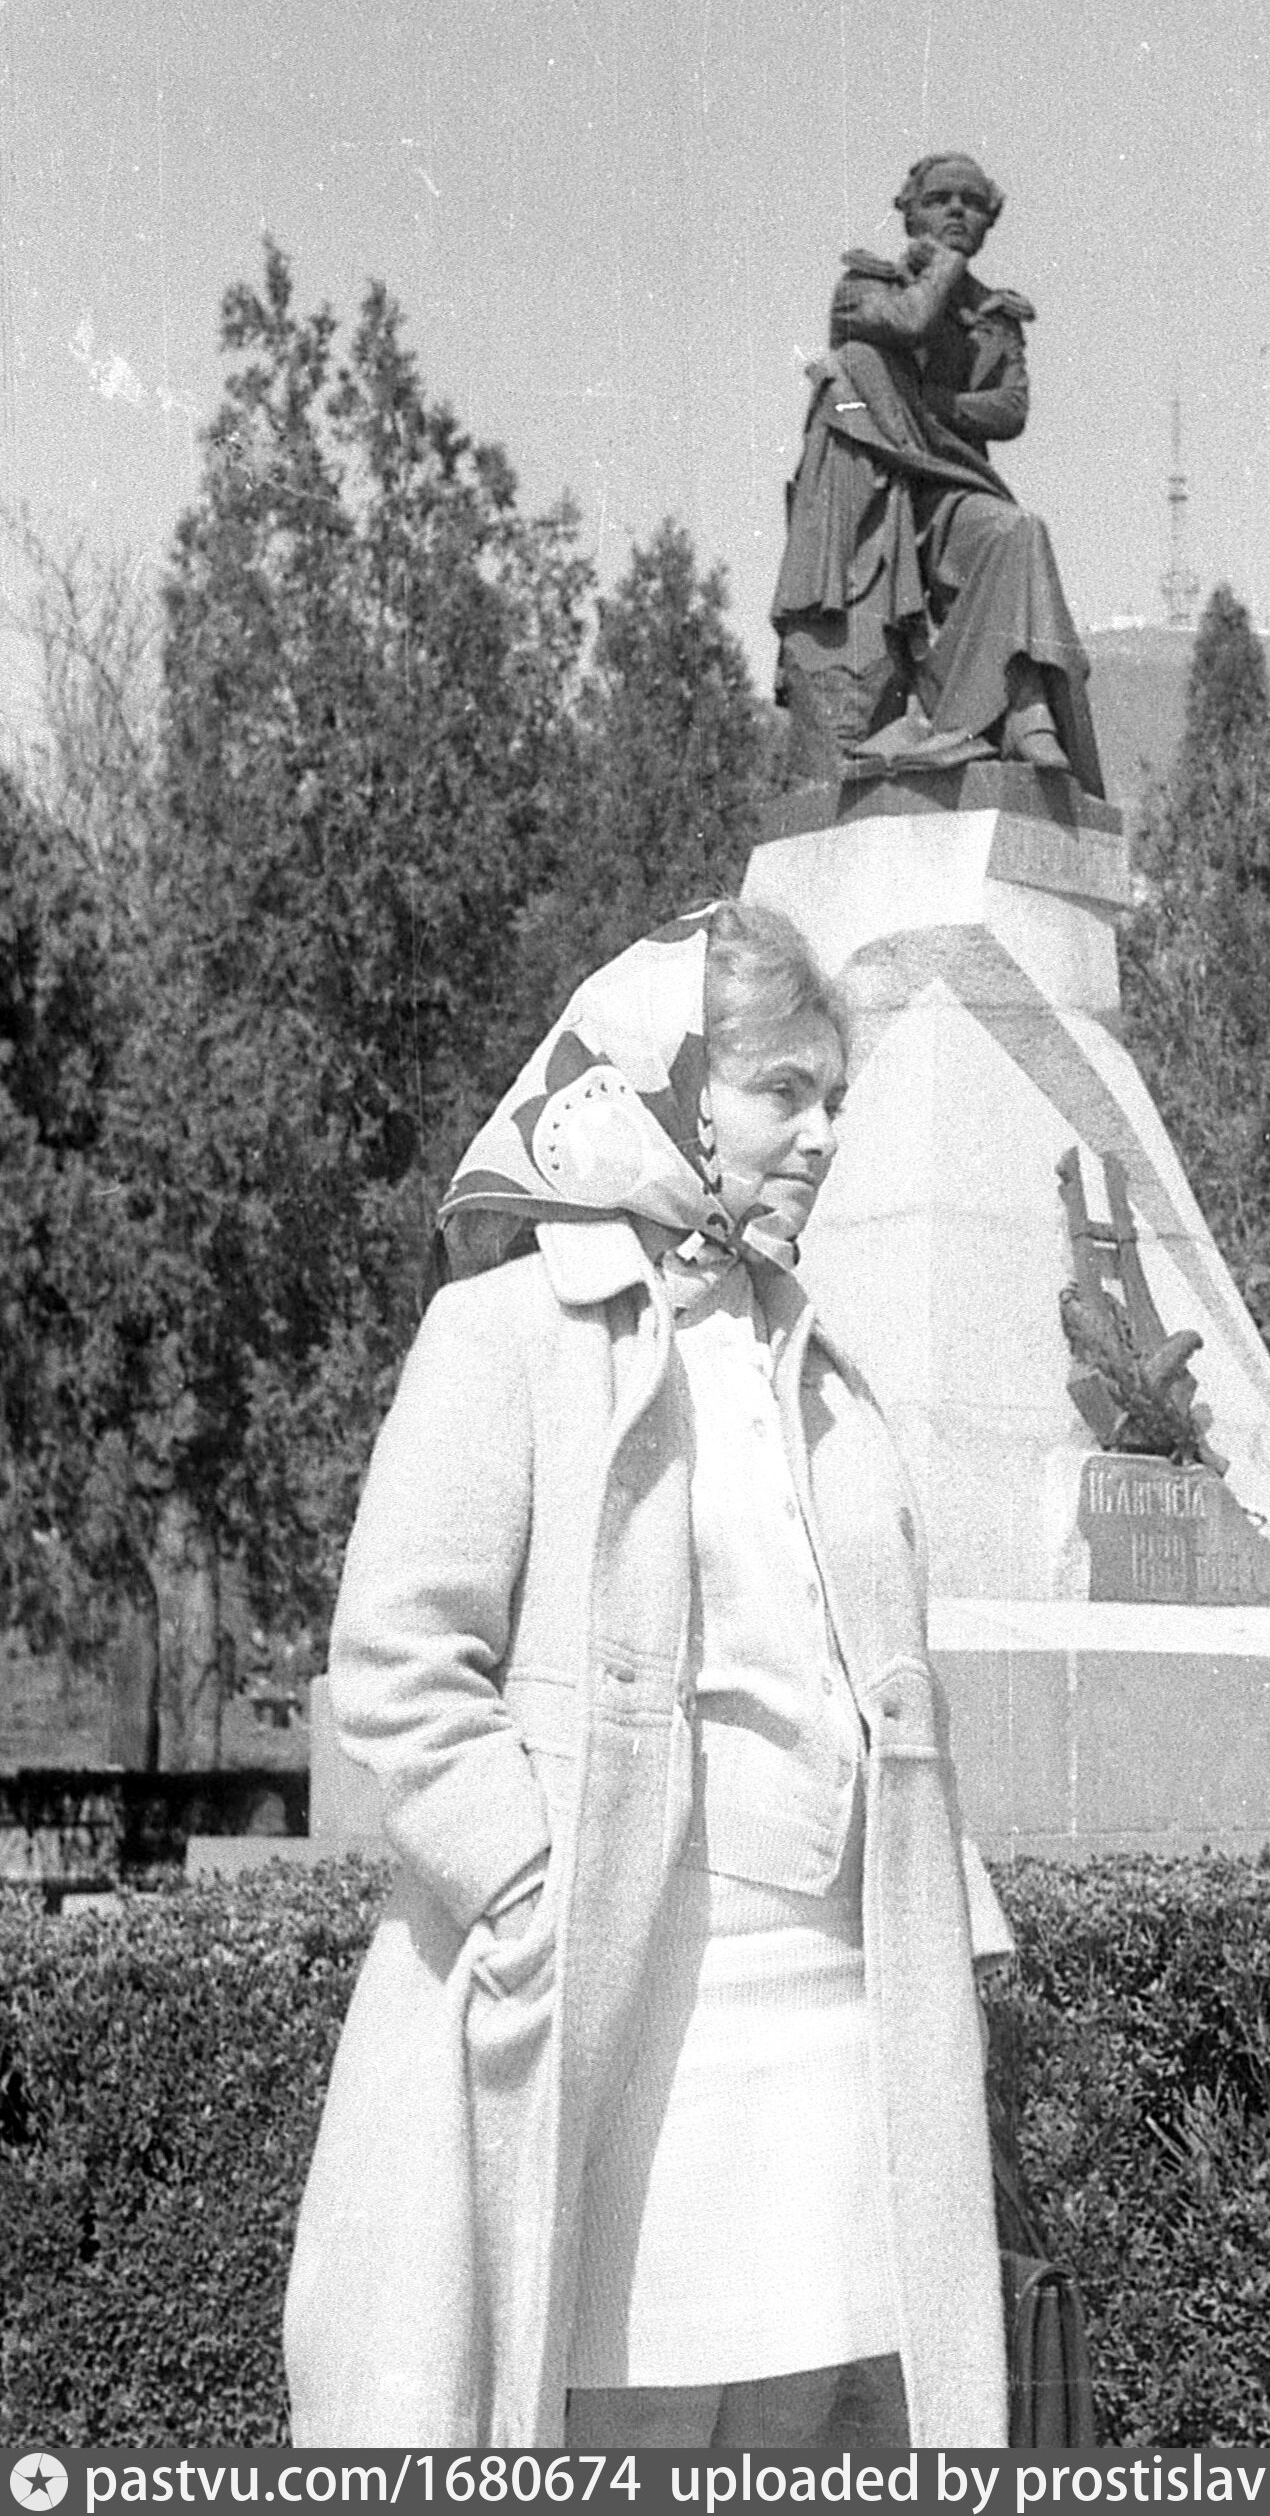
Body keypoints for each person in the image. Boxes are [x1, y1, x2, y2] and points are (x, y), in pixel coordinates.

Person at [284, 901, 1011, 2449]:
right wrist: (523, 1892)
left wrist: (953, 1911)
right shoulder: (505, 1330)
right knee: (613, 2414)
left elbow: (880, 1681)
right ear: (670, 1084)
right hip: (626, 2007)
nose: (820, 1135)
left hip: (830, 2015)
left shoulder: (818, 1359)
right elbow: (398, 1656)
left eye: (833, 1096)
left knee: (815, 2427)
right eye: (781, 1091)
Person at [772, 151, 1107, 795]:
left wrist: (928, 407)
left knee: (1017, 532)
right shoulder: (863, 287)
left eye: (972, 203)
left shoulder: (996, 317)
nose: (957, 210)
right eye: (940, 200)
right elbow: (909, 321)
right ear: (909, 214)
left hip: (949, 487)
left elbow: (1011, 409)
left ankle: (1023, 707)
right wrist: (945, 268)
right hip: (871, 494)